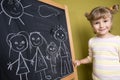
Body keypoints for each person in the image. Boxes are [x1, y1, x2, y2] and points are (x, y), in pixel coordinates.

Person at [74, 4, 120, 80]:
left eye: (105, 21)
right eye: (97, 23)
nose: (101, 25)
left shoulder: (117, 40)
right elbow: (90, 58)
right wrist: (80, 61)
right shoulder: (92, 41)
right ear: (92, 26)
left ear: (111, 23)